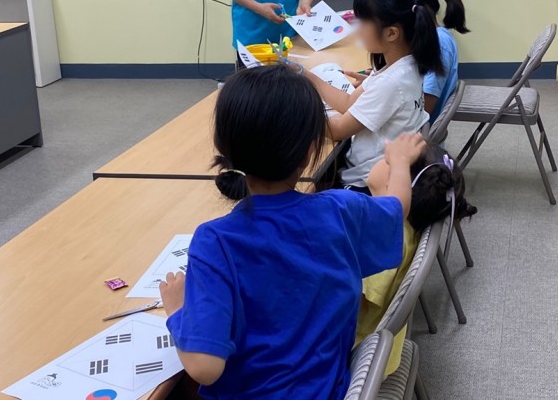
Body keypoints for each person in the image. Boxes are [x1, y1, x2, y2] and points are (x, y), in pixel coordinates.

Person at [158, 64, 427, 399]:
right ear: (311, 150)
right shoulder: (341, 211)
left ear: (222, 145)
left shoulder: (216, 242)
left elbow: (204, 368)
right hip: (330, 390)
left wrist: (178, 310)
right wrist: (399, 162)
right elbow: (397, 208)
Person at [306, 0, 443, 192]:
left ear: (391, 33)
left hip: (365, 184)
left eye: (363, 23)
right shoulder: (401, 65)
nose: (357, 29)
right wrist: (308, 77)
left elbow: (338, 130)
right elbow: (348, 103)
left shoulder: (392, 82)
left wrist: (298, 109)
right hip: (377, 170)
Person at [356, 143, 477, 376]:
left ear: (398, 181)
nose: (383, 153)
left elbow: (349, 306)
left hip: (358, 358)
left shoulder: (385, 239)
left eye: (389, 159)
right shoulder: (403, 229)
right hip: (379, 351)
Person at [348, 0, 469, 125]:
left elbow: (424, 107)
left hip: (411, 132)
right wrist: (376, 84)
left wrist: (383, 92)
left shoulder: (440, 42)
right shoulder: (432, 37)